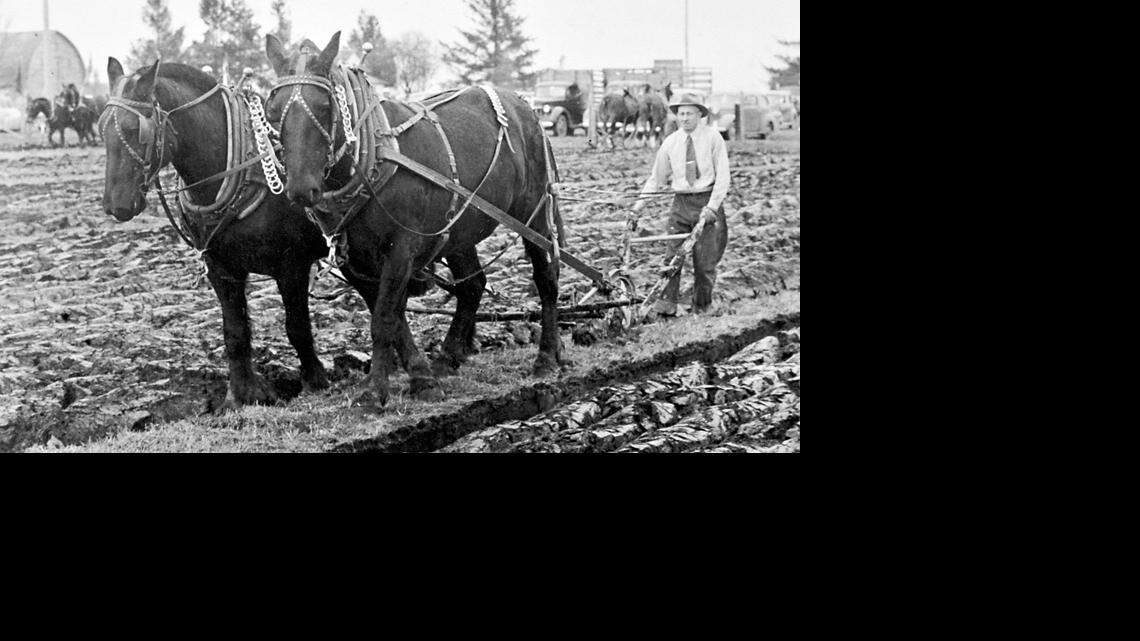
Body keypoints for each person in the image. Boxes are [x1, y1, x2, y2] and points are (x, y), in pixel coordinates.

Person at [631, 92, 730, 316]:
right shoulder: (671, 142)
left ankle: (702, 307)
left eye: (689, 114)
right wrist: (638, 207)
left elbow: (723, 177)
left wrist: (713, 207)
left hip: (706, 203)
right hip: (681, 205)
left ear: (699, 115)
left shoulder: (713, 138)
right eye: (681, 114)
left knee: (704, 264)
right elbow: (656, 179)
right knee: (672, 259)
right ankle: (667, 308)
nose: (684, 118)